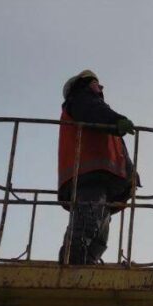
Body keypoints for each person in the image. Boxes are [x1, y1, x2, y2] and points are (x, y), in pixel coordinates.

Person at [58, 70, 137, 265]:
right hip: (88, 177)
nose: (100, 87)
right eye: (96, 83)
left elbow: (118, 150)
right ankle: (72, 264)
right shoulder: (81, 102)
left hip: (101, 181)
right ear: (83, 85)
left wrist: (130, 177)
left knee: (99, 235)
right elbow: (94, 111)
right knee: (87, 224)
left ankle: (85, 262)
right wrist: (116, 119)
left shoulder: (99, 114)